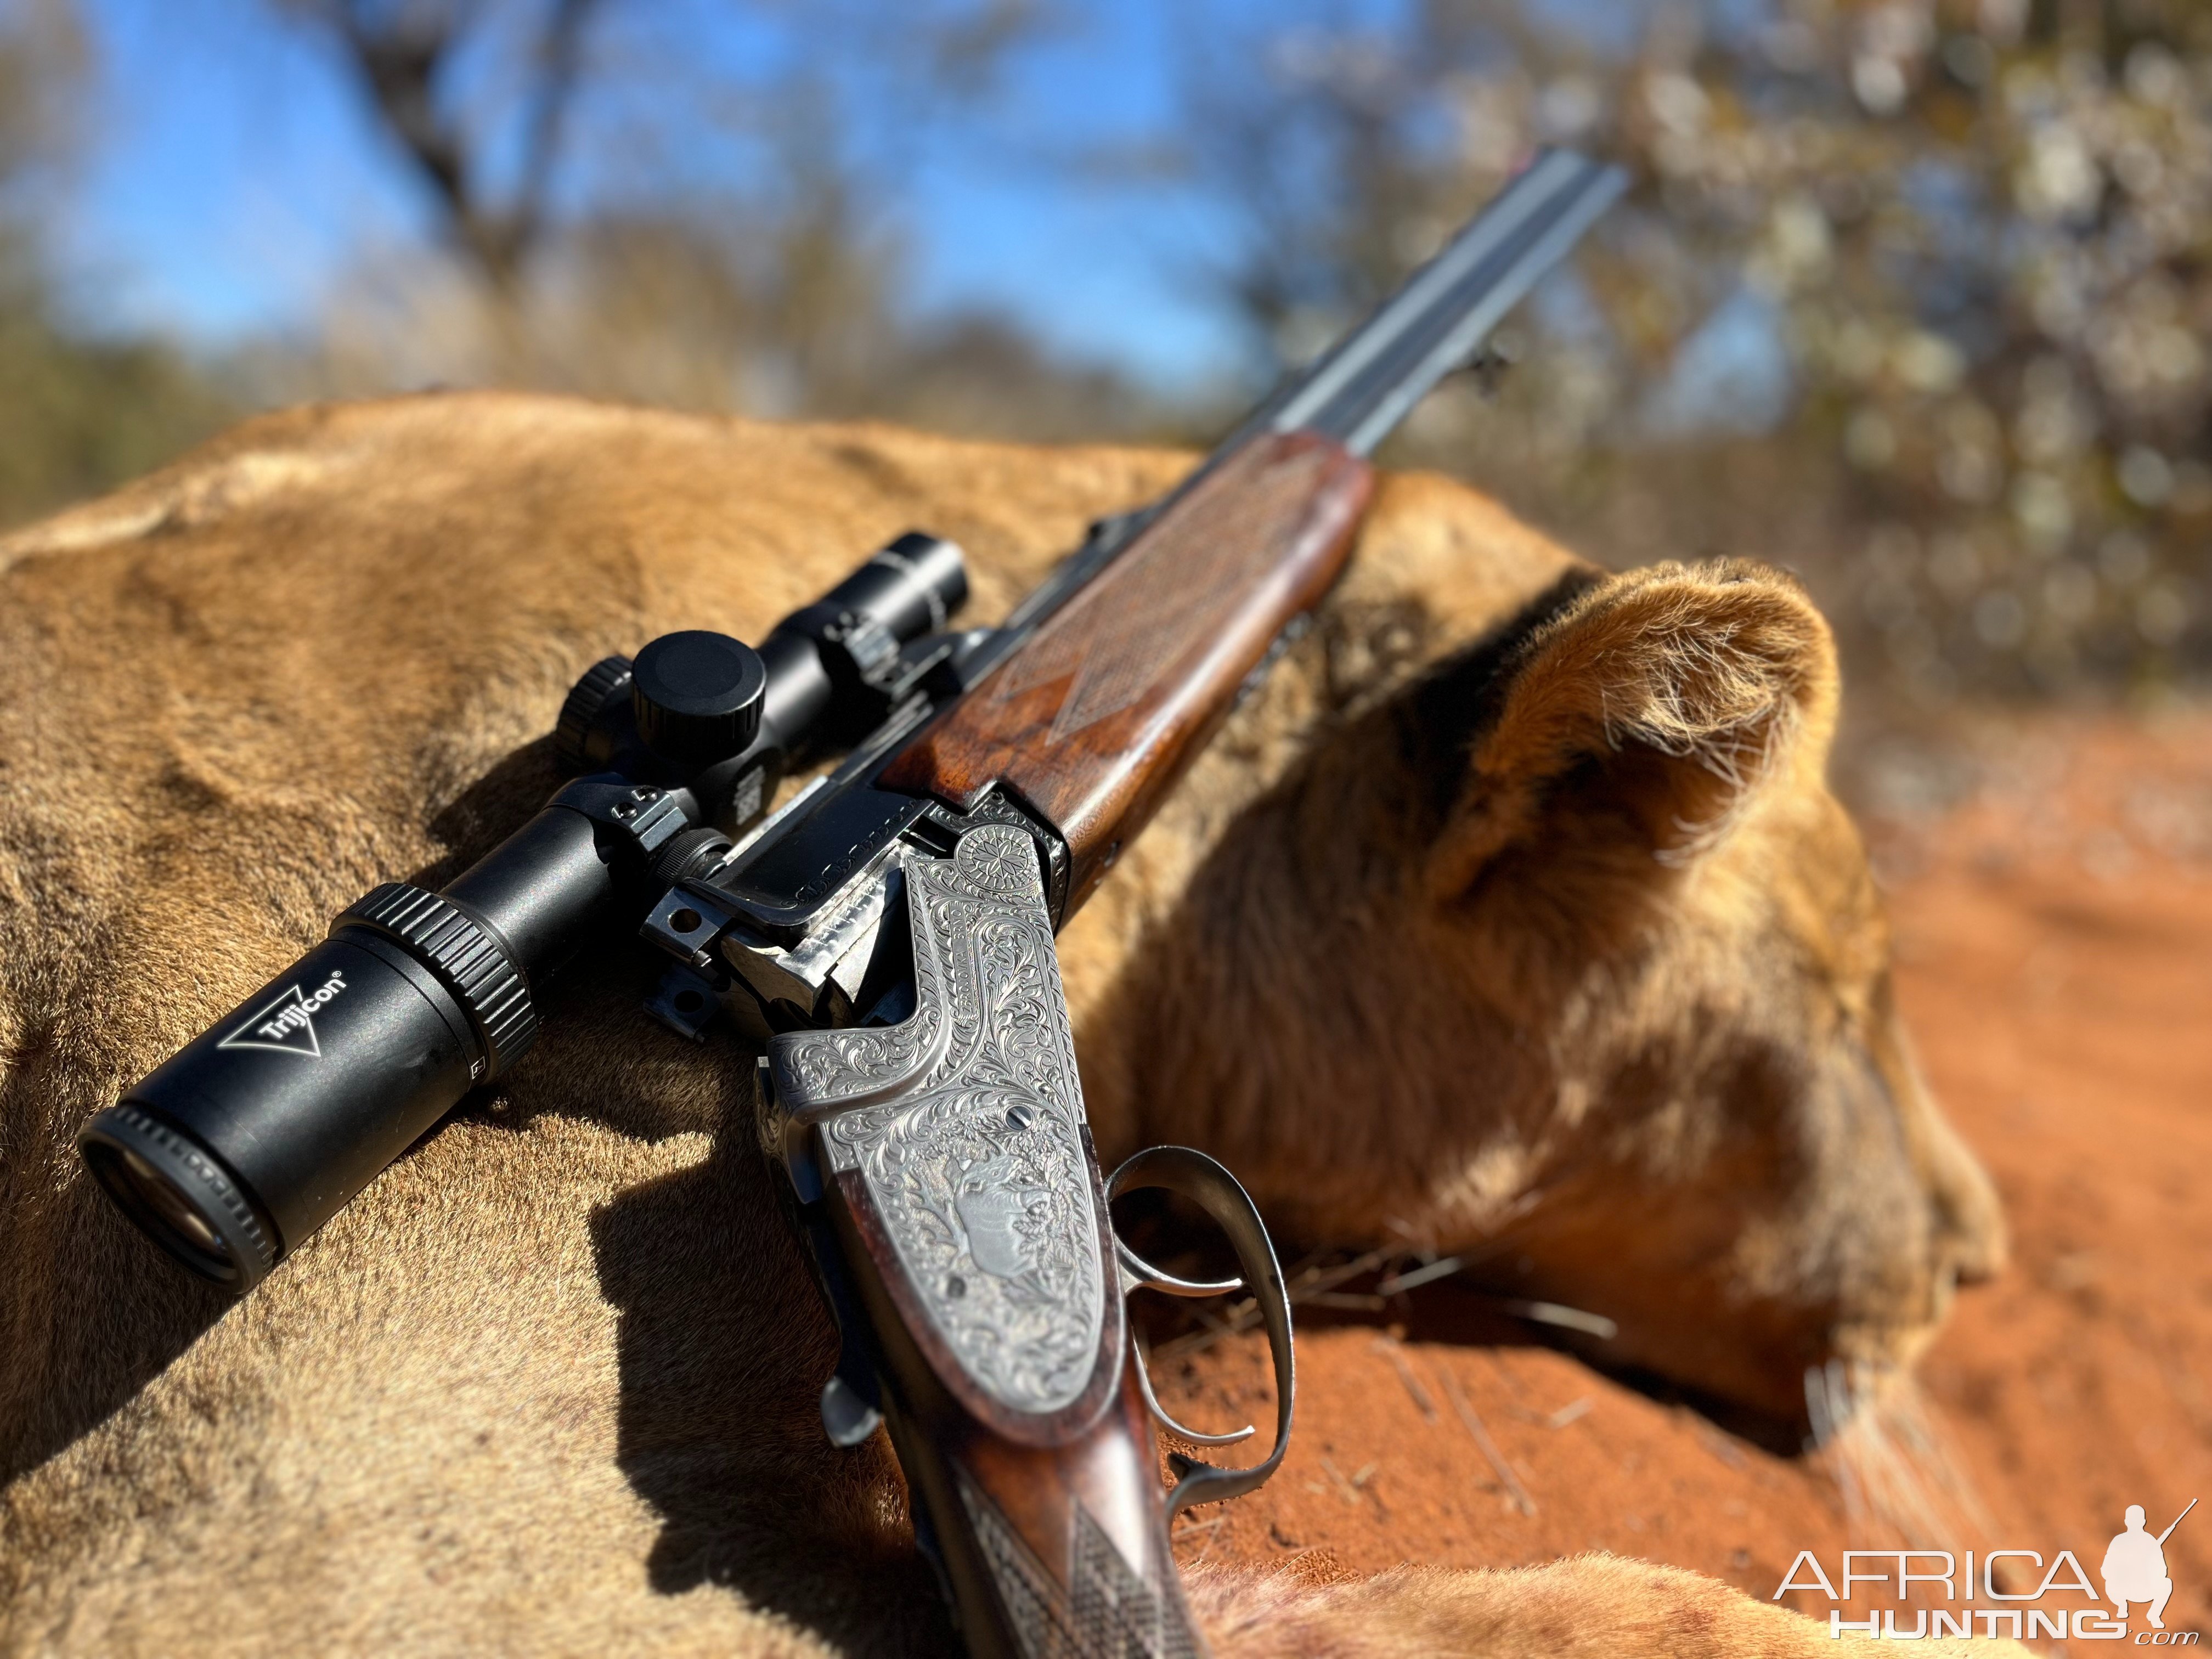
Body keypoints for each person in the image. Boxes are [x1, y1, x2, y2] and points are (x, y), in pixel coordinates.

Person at [2103, 1505, 2174, 1629]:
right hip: (2125, 1589)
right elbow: (2107, 1569)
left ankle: (2152, 1615)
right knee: (2166, 1583)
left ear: (2126, 1522)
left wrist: (2145, 1568)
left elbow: (2161, 1570)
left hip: (2141, 1589)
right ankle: (2122, 1606)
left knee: (2167, 1583)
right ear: (2144, 1522)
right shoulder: (2123, 1541)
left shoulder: (2148, 1542)